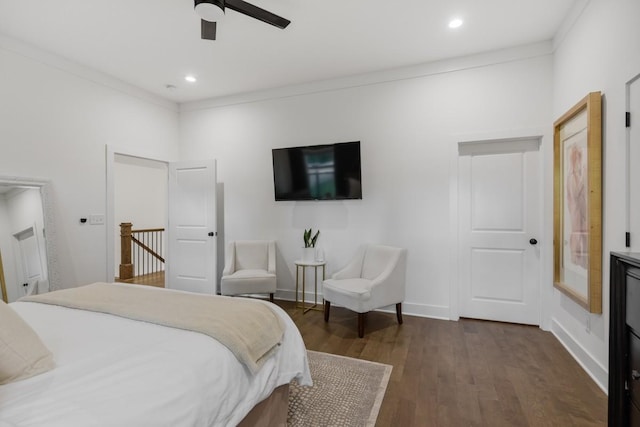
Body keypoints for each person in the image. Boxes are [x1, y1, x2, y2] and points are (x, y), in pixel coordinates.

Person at [566, 144, 588, 269]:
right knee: (577, 231)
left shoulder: (582, 172)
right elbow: (574, 194)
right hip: (576, 211)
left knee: (583, 232)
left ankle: (582, 258)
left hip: (582, 210)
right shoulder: (572, 175)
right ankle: (576, 256)